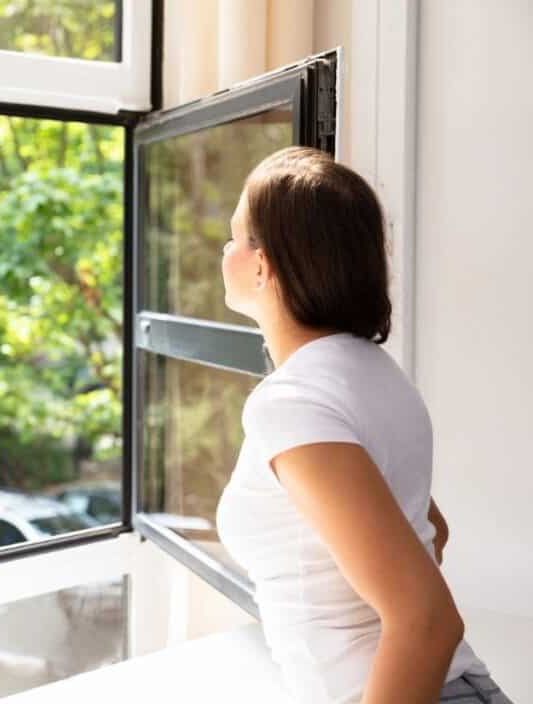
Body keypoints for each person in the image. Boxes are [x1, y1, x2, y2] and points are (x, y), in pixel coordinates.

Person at [215, 147, 512, 704]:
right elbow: (431, 529)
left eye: (233, 237)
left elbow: (427, 620)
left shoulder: (292, 402)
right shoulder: (374, 372)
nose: (225, 251)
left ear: (262, 264)